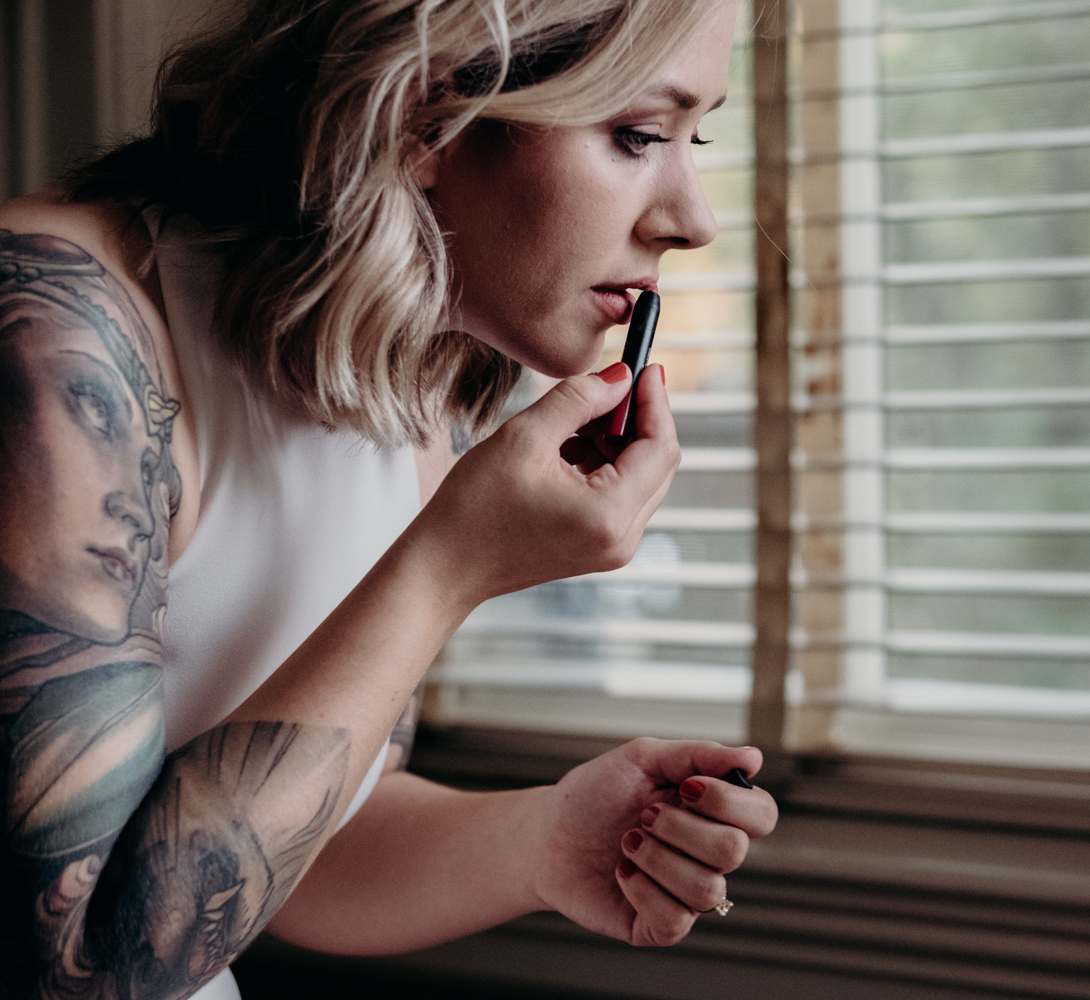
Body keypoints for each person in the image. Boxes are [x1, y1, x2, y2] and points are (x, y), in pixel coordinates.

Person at [0, 2, 778, 998]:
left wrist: (548, 840)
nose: (694, 217)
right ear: (426, 112)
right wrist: (446, 568)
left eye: (695, 135)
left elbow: (299, 844)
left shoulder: (409, 382)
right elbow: (86, 965)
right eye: (637, 135)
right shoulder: (62, 333)